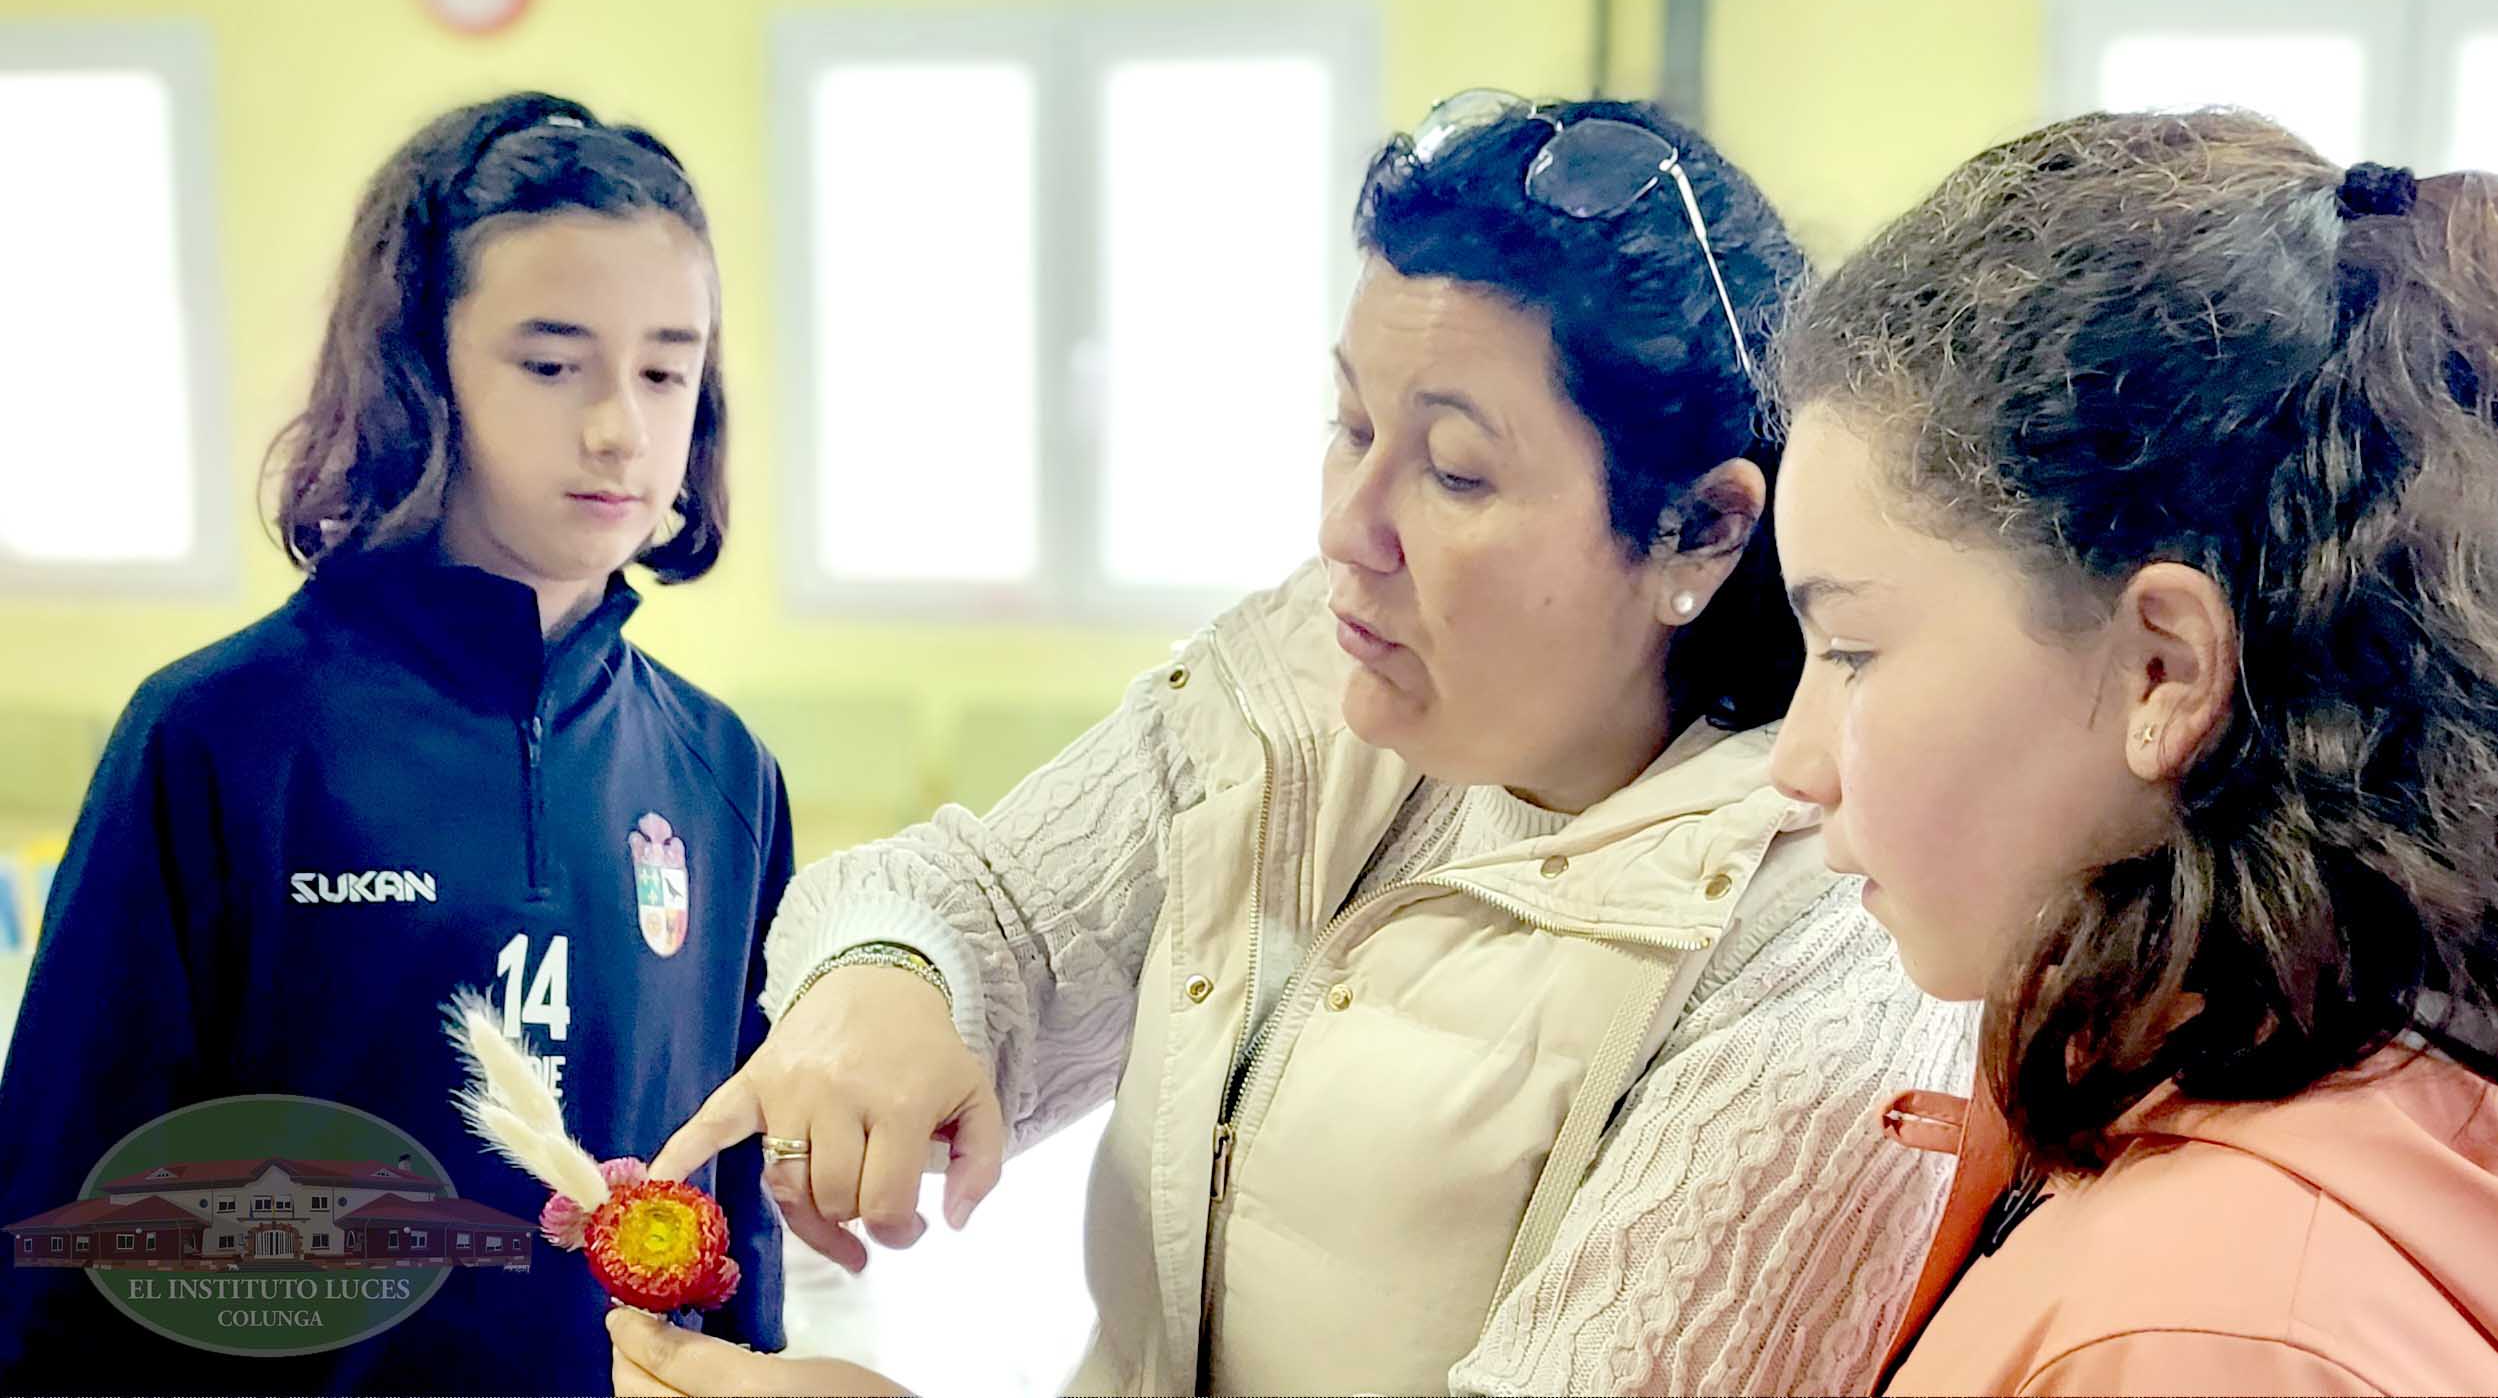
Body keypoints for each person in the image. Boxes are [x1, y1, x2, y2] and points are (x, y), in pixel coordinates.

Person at [617, 92, 1974, 1397]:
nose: (1348, 524)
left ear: (1698, 530)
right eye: (1349, 426)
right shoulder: (1304, 686)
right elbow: (985, 910)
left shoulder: (1815, 961)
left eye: (1452, 470)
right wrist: (887, 978)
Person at [0, 90, 788, 1393]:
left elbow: (732, 1224)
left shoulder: (719, 769)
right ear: (420, 370)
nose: (618, 427)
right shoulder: (220, 737)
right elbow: (58, 1239)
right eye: (551, 364)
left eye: (664, 367)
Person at [1769, 108, 2498, 1394]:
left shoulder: (2205, 1334)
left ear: (2161, 669)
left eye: (1852, 651)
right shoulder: (2263, 1089)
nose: (1796, 762)